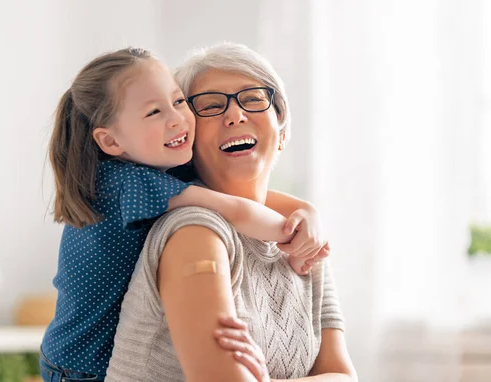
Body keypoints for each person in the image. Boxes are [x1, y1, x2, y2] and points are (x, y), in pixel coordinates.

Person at [39, 47, 330, 382]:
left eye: (178, 102)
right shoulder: (130, 183)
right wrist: (291, 234)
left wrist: (306, 211)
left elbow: (243, 197)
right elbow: (231, 206)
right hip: (78, 366)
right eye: (153, 112)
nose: (176, 118)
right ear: (111, 141)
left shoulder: (156, 167)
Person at [105, 43, 358, 381]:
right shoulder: (195, 232)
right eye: (210, 107)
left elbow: (343, 375)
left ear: (281, 132)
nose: (236, 115)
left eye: (253, 99)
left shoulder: (305, 241)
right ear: (186, 140)